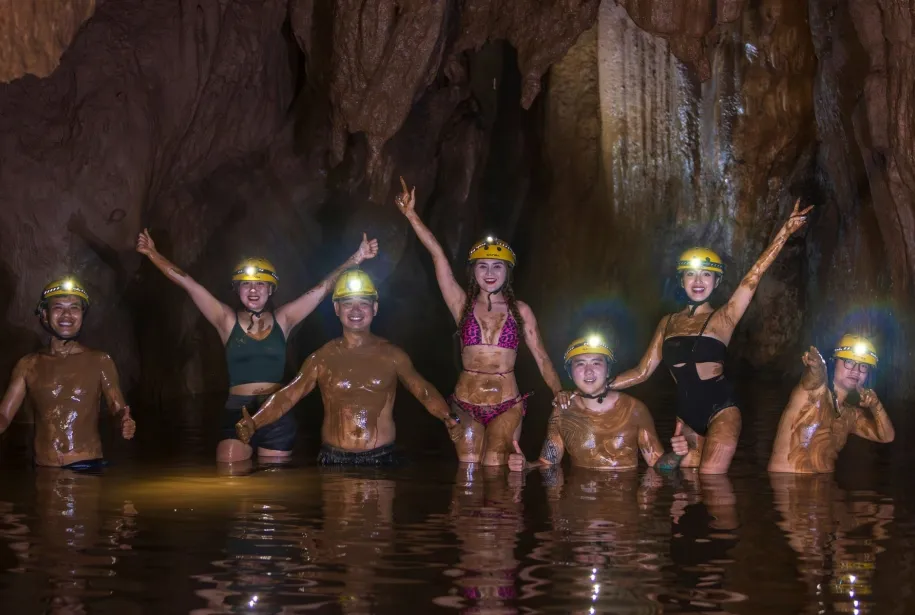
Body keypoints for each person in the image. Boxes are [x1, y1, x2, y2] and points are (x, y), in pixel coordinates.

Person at [136, 229, 378, 463]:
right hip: (237, 409)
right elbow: (188, 283)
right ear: (238, 289)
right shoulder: (226, 320)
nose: (253, 290)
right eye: (246, 284)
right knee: (230, 477)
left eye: (260, 284)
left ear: (270, 290)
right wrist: (152, 254)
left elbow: (322, 288)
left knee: (271, 489)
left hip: (276, 412)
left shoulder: (284, 320)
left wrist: (356, 258)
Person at [607, 200, 813, 474]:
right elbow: (642, 371)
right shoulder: (666, 323)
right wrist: (601, 386)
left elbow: (753, 277)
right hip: (687, 418)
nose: (698, 280)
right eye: (690, 275)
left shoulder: (724, 317)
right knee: (675, 480)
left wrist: (784, 233)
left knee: (711, 481)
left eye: (706, 275)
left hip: (722, 411)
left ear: (716, 282)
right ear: (682, 282)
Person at [394, 177, 567, 465]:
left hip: (506, 403)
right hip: (465, 403)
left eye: (497, 266)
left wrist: (558, 390)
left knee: (496, 462)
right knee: (469, 469)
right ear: (473, 272)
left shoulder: (520, 311)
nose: (489, 272)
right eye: (482, 266)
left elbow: (542, 356)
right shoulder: (461, 305)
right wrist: (411, 215)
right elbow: (438, 257)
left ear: (507, 273)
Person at [234, 269, 459, 466]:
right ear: (336, 308)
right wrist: (255, 422)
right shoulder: (321, 358)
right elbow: (289, 395)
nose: (356, 310)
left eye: (363, 303)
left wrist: (447, 417)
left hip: (381, 458)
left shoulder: (393, 355)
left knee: (380, 517)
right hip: (334, 459)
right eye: (348, 303)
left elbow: (422, 389)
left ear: (375, 307)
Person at [0, 278, 135, 469]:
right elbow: (4, 416)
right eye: (58, 308)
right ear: (45, 315)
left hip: (87, 467)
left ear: (82, 315)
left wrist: (124, 421)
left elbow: (117, 407)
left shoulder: (100, 361)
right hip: (44, 471)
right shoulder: (28, 365)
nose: (67, 315)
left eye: (74, 308)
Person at [509, 336, 686, 471]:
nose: (588, 371)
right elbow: (547, 462)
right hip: (579, 510)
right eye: (580, 364)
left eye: (596, 363)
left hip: (623, 512)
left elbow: (658, 466)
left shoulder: (634, 410)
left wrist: (676, 456)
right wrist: (526, 466)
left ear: (608, 369)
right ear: (570, 373)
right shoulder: (562, 412)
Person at [768, 335, 894, 473]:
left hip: (825, 488)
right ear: (834, 362)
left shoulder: (851, 416)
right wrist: (818, 366)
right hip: (788, 487)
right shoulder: (812, 392)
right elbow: (815, 376)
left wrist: (876, 406)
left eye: (863, 366)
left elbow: (887, 437)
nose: (856, 370)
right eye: (849, 362)